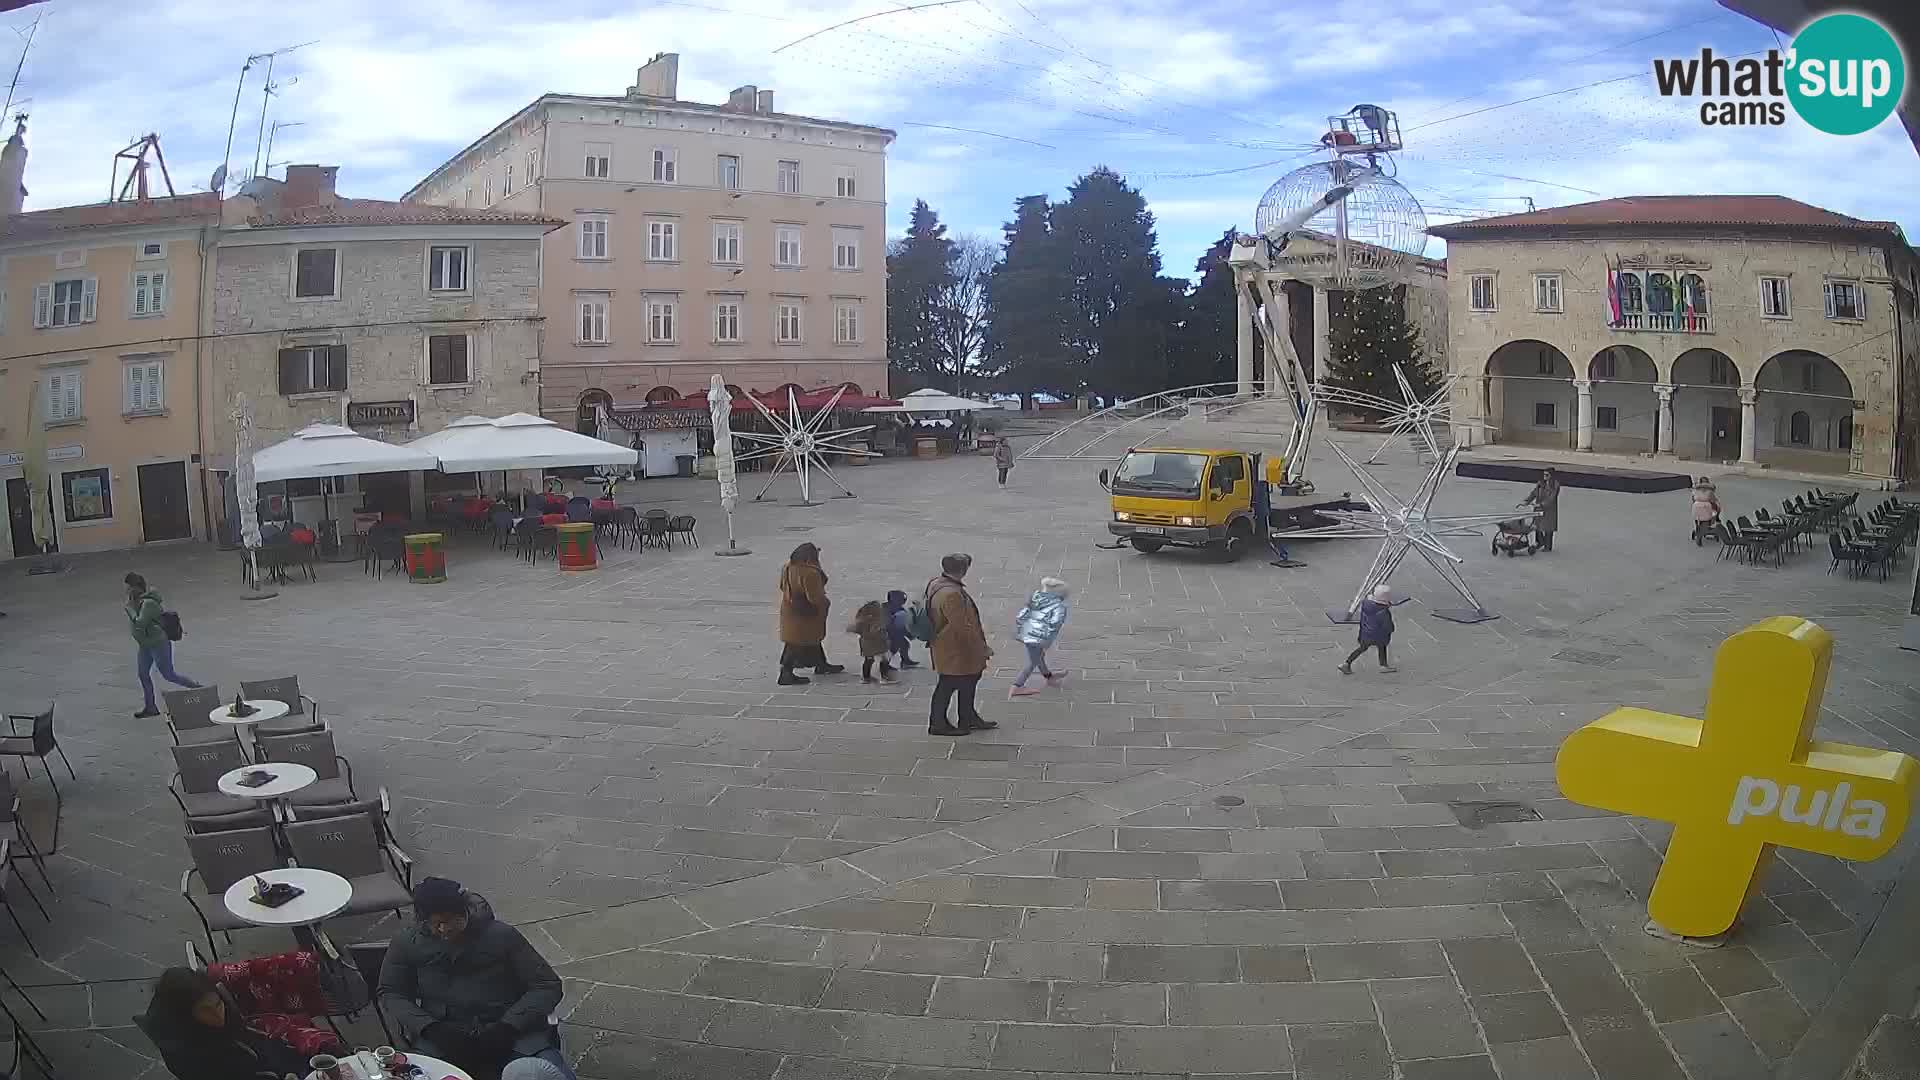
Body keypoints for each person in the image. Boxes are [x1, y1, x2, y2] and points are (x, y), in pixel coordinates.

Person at [378, 878, 574, 1080]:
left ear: (464, 912)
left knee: (541, 1073)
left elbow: (547, 985)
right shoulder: (406, 943)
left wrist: (509, 1026)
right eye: (436, 924)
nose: (444, 929)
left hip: (513, 1033)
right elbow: (391, 992)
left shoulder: (502, 935)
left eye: (450, 920)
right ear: (423, 920)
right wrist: (431, 1028)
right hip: (444, 1038)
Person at [144, 966, 331, 1080]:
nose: (218, 1015)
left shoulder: (222, 1019)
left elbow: (247, 1038)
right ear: (186, 1016)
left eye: (218, 1005)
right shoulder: (188, 1054)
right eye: (205, 1011)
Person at [926, 553, 996, 736]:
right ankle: (938, 723)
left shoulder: (937, 583)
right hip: (956, 648)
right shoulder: (952, 595)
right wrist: (982, 648)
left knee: (968, 680)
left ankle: (968, 716)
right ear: (963, 570)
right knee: (948, 684)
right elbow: (963, 627)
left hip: (949, 645)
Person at [127, 571, 200, 719]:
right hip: (145, 645)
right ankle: (150, 707)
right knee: (143, 674)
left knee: (169, 675)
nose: (126, 590)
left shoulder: (149, 603)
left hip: (158, 643)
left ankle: (198, 689)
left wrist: (130, 611)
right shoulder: (135, 601)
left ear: (136, 587)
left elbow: (140, 623)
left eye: (128, 587)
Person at [777, 543, 843, 685]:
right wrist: (825, 604)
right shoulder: (809, 573)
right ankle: (786, 673)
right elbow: (815, 597)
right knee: (795, 643)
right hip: (805, 613)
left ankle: (821, 664)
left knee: (809, 638)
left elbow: (782, 586)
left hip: (791, 609)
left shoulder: (787, 566)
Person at [1009, 577, 1071, 698]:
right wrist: (1046, 643)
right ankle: (1017, 686)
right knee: (1033, 662)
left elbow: (1022, 615)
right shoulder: (1059, 607)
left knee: (1038, 657)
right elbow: (1055, 625)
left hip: (1027, 633)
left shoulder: (1036, 598)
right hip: (1040, 637)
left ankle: (1048, 676)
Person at [1340, 585, 1401, 675]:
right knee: (1382, 647)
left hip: (1366, 633)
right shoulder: (1384, 612)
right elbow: (1388, 627)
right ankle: (1383, 665)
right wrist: (1391, 628)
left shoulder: (1366, 604)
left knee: (1362, 648)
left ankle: (1347, 663)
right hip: (1379, 635)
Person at [849, 600, 896, 683]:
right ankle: (885, 677)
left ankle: (866, 678)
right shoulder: (878, 621)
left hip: (866, 645)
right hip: (879, 644)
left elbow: (856, 629)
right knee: (885, 659)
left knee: (868, 660)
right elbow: (883, 629)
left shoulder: (862, 620)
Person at [1520, 468, 1561, 551]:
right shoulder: (1540, 483)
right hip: (1539, 508)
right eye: (1544, 474)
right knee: (1537, 525)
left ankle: (1548, 546)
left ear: (1551, 476)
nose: (1544, 476)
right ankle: (1540, 542)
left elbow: (1552, 498)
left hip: (1549, 510)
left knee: (1548, 528)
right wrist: (1526, 501)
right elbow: (1534, 493)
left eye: (1547, 475)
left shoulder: (1555, 485)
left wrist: (1541, 504)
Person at [885, 589, 919, 669]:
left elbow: (902, 625)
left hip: (893, 633)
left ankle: (905, 661)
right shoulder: (894, 611)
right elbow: (898, 626)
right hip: (889, 634)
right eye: (902, 599)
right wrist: (908, 634)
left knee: (904, 644)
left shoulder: (897, 609)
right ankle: (885, 664)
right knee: (893, 649)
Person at [1690, 475, 1722, 546]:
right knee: (1714, 514)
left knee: (1698, 519)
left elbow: (1693, 499)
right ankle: (1711, 526)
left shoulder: (1696, 491)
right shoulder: (1710, 491)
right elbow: (1714, 501)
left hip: (1696, 509)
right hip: (1707, 508)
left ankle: (1698, 529)